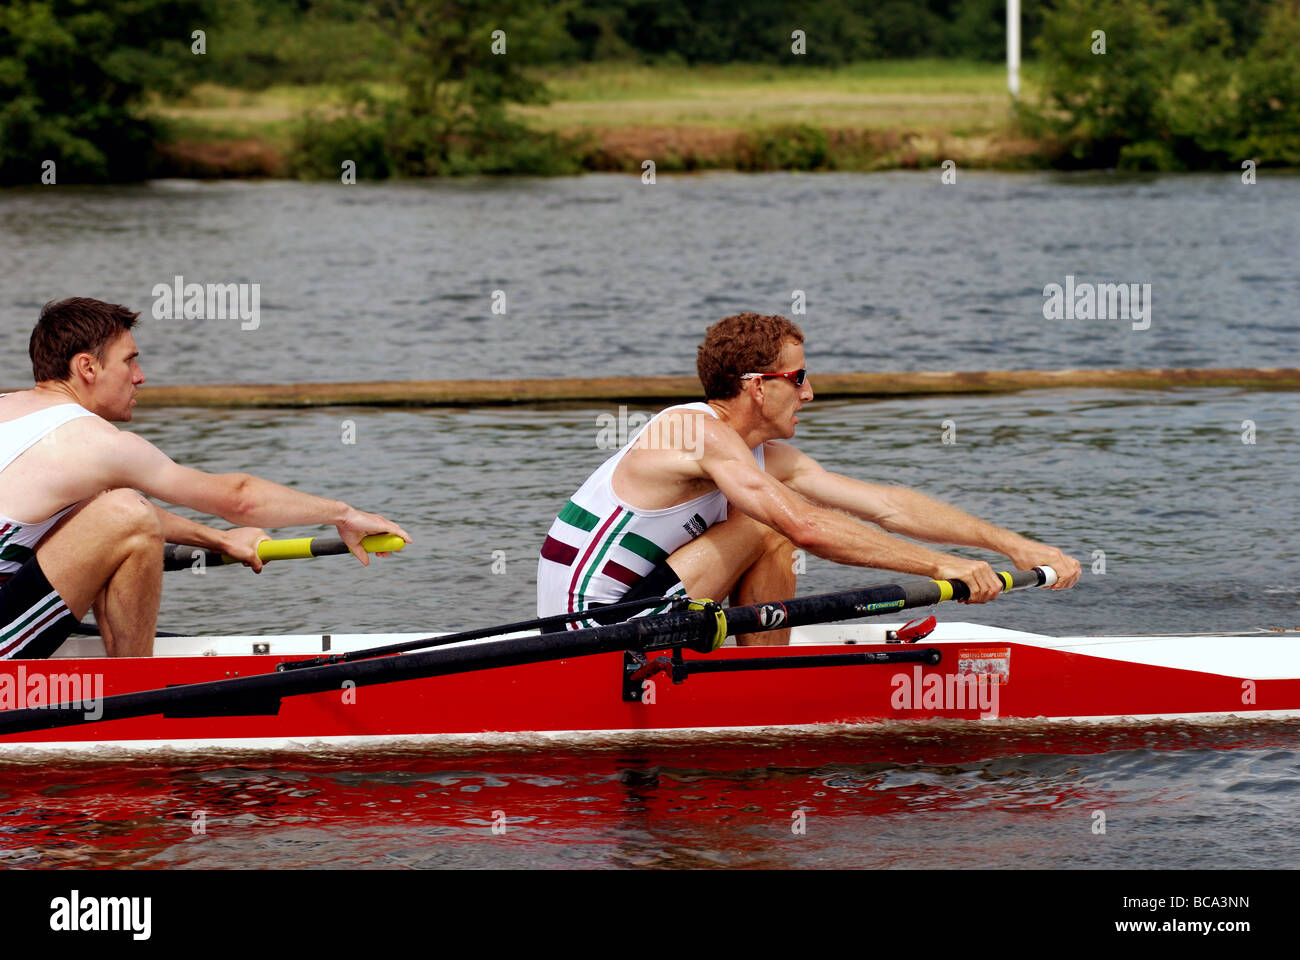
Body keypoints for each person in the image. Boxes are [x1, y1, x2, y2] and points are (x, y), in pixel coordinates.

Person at [537, 312, 1080, 644]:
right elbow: (806, 528)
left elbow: (887, 506)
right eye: (798, 378)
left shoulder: (756, 455)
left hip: (637, 615)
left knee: (777, 514)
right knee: (772, 523)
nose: (810, 392)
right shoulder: (689, 431)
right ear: (756, 386)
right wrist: (941, 565)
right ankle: (759, 692)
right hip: (588, 638)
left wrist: (1015, 545)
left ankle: (758, 666)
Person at [0, 297, 410, 659]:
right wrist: (343, 513)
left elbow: (105, 517)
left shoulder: (9, 409)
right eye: (130, 360)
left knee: (118, 507)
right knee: (125, 510)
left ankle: (119, 682)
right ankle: (134, 697)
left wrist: (221, 539)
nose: (140, 376)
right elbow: (239, 499)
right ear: (87, 366)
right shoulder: (95, 442)